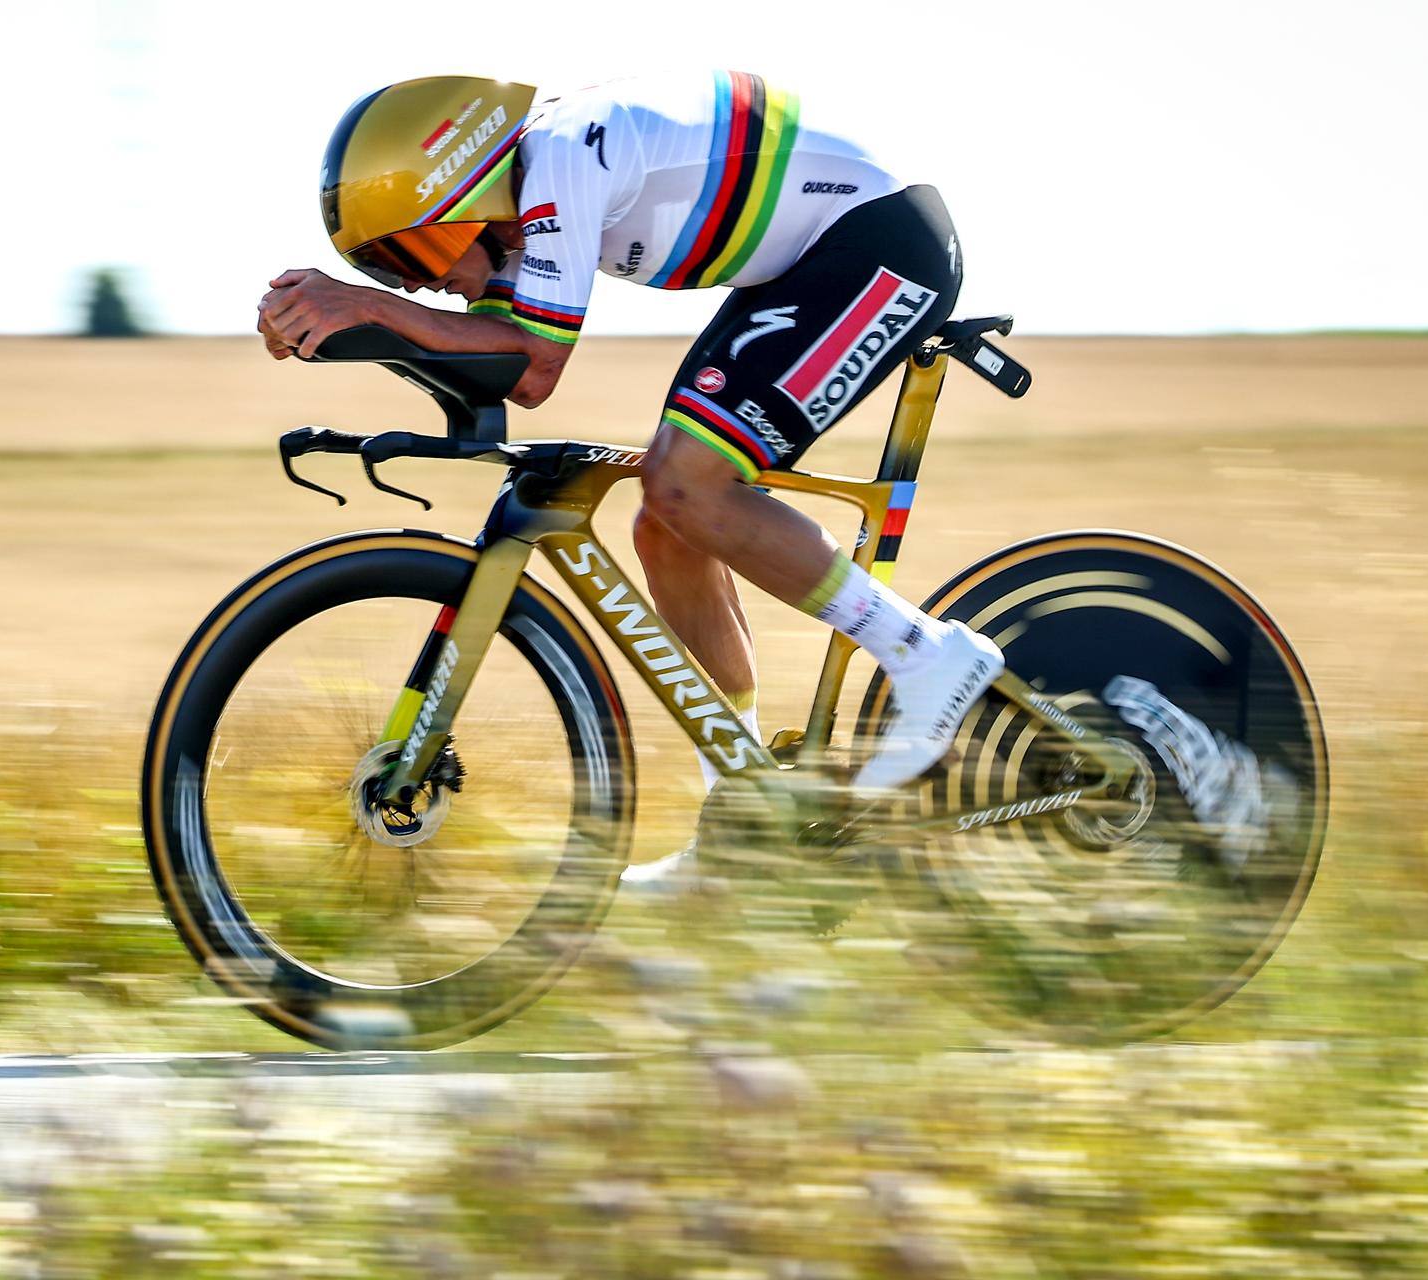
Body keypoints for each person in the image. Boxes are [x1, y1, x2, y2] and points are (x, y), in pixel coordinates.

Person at [258, 72, 1004, 876]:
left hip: (881, 245)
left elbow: (534, 369)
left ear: (464, 189)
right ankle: (746, 813)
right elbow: (488, 361)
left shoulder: (560, 160)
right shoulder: (520, 209)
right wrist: (348, 327)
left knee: (686, 484)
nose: (413, 281)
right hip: (810, 264)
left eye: (413, 250)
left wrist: (368, 310)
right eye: (384, 269)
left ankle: (928, 654)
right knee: (668, 517)